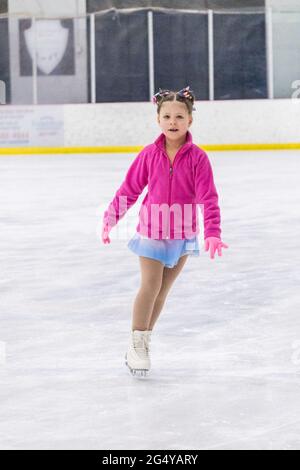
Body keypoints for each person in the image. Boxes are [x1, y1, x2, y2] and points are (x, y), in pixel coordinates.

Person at [101, 86, 228, 377]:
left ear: (190, 121)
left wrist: (213, 232)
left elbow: (209, 197)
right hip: (152, 229)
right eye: (167, 116)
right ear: (158, 119)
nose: (173, 121)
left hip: (183, 233)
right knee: (150, 285)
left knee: (162, 291)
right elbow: (129, 189)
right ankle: (136, 343)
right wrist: (111, 218)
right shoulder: (148, 155)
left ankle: (144, 340)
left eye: (179, 116)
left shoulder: (198, 158)